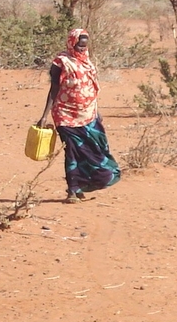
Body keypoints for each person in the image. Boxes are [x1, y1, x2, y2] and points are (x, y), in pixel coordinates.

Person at [37, 28, 121, 203]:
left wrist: (97, 110)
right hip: (65, 115)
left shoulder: (87, 61)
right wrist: (45, 116)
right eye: (79, 45)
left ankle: (85, 185)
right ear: (72, 42)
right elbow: (54, 89)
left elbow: (90, 87)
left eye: (84, 45)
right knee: (73, 151)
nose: (82, 49)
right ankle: (73, 190)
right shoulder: (61, 62)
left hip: (89, 114)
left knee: (97, 149)